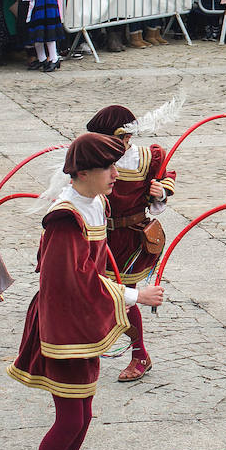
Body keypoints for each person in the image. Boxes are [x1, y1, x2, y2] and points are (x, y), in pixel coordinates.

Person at [8, 133, 167, 450]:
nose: (117, 174)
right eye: (108, 168)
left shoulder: (96, 203)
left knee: (82, 416)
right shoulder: (67, 218)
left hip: (81, 322)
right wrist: (135, 294)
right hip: (64, 324)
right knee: (69, 418)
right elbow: (72, 281)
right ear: (82, 173)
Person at [84, 105, 178, 383]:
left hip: (133, 240)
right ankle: (89, 346)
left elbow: (167, 176)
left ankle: (139, 355)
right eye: (114, 140)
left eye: (125, 139)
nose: (121, 146)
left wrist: (160, 190)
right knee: (97, 295)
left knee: (124, 299)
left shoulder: (148, 157)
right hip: (98, 236)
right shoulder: (93, 159)